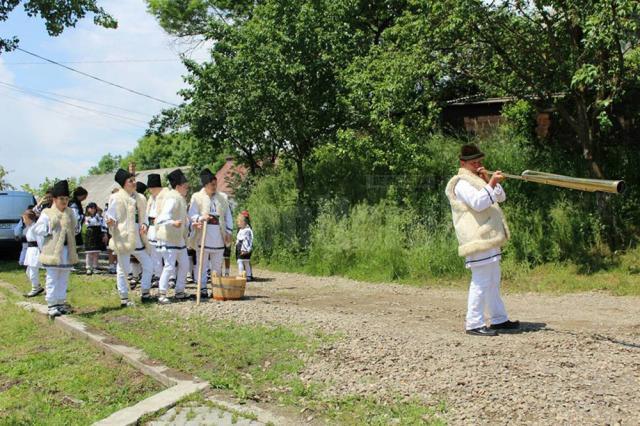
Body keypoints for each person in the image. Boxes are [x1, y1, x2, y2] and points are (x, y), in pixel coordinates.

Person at [445, 144, 519, 336]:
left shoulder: (477, 180)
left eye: (480, 161)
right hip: (477, 237)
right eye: (474, 162)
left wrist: (489, 181)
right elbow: (478, 204)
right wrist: (491, 184)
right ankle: (473, 323)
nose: (479, 165)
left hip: (488, 236)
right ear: (463, 163)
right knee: (481, 280)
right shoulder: (461, 183)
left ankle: (498, 319)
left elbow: (500, 198)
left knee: (493, 278)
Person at [105, 169, 153, 306]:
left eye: (134, 180)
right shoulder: (116, 197)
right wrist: (110, 221)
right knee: (124, 268)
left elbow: (145, 217)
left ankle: (145, 292)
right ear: (124, 184)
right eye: (130, 181)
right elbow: (110, 215)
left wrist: (144, 224)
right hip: (124, 237)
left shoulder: (141, 198)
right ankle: (124, 297)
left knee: (149, 265)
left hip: (139, 237)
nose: (134, 182)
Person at [32, 180, 78, 317]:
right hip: (52, 251)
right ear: (55, 199)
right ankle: (52, 303)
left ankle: (60, 302)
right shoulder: (47, 213)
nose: (64, 201)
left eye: (66, 199)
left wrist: (74, 229)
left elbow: (76, 228)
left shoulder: (71, 212)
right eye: (61, 199)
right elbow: (37, 229)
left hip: (67, 250)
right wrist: (49, 228)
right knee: (52, 277)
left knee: (63, 277)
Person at [188, 169, 233, 299]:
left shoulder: (223, 198)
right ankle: (202, 288)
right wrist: (201, 217)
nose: (214, 187)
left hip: (218, 237)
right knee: (201, 265)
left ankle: (216, 288)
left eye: (215, 184)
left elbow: (228, 216)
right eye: (212, 184)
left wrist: (229, 231)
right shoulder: (197, 197)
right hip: (204, 236)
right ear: (206, 184)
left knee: (217, 265)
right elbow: (191, 214)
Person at [154, 169, 190, 304]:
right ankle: (162, 293)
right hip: (169, 237)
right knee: (169, 266)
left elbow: (182, 218)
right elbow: (162, 217)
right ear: (179, 186)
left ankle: (179, 290)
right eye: (185, 186)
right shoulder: (173, 198)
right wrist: (172, 222)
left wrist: (193, 222)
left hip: (178, 238)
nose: (187, 188)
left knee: (185, 264)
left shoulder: (180, 199)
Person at [145, 173, 165, 285]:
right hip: (152, 230)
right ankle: (157, 275)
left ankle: (170, 277)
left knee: (165, 256)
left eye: (151, 188)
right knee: (154, 255)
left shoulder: (164, 197)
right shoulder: (150, 199)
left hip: (162, 230)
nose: (150, 191)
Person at [22, 209, 43, 297]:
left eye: (24, 219)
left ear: (29, 219)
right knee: (28, 271)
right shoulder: (29, 227)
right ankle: (37, 286)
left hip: (35, 251)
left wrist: (42, 252)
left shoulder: (35, 227)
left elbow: (40, 240)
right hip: (30, 251)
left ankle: (35, 288)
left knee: (33, 271)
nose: (23, 221)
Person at [84, 202, 105, 275]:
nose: (92, 209)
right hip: (89, 233)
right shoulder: (86, 217)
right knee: (89, 253)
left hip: (97, 233)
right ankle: (88, 267)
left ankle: (95, 266)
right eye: (91, 208)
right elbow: (87, 224)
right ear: (88, 208)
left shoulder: (99, 216)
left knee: (96, 252)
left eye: (94, 208)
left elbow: (101, 224)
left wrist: (104, 234)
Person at [235, 210, 254, 281]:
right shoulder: (245, 229)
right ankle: (248, 275)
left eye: (239, 222)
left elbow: (246, 240)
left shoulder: (247, 230)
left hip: (243, 248)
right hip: (244, 248)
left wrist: (244, 249)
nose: (238, 224)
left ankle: (241, 275)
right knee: (246, 262)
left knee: (240, 261)